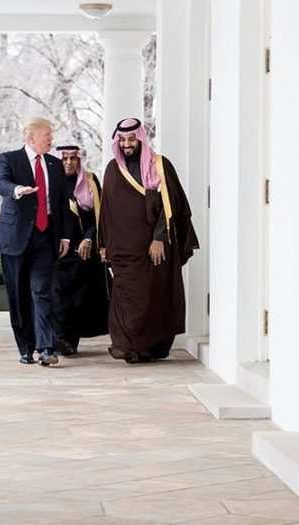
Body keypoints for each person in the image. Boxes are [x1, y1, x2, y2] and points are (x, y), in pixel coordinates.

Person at [98, 118, 199, 364]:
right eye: (122, 140)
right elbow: (106, 212)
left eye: (131, 139)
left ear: (140, 139)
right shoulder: (113, 169)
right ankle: (126, 346)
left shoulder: (159, 166)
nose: (126, 144)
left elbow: (170, 207)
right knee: (124, 297)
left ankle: (149, 347)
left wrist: (159, 239)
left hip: (152, 249)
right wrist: (103, 244)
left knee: (153, 298)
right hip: (123, 250)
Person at [0, 118, 73, 366]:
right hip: (15, 238)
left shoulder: (55, 164)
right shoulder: (9, 159)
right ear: (31, 137)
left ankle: (46, 348)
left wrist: (65, 235)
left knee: (42, 292)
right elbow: (1, 183)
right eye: (47, 135)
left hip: (46, 237)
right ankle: (25, 348)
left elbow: (62, 202)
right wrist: (17, 190)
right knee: (18, 295)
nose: (51, 139)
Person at [51, 145, 109, 356]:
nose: (68, 163)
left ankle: (70, 341)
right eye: (64, 158)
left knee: (78, 300)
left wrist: (89, 238)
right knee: (57, 298)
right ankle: (58, 339)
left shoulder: (90, 181)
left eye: (73, 159)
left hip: (84, 251)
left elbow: (100, 215)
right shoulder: (51, 181)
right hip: (57, 251)